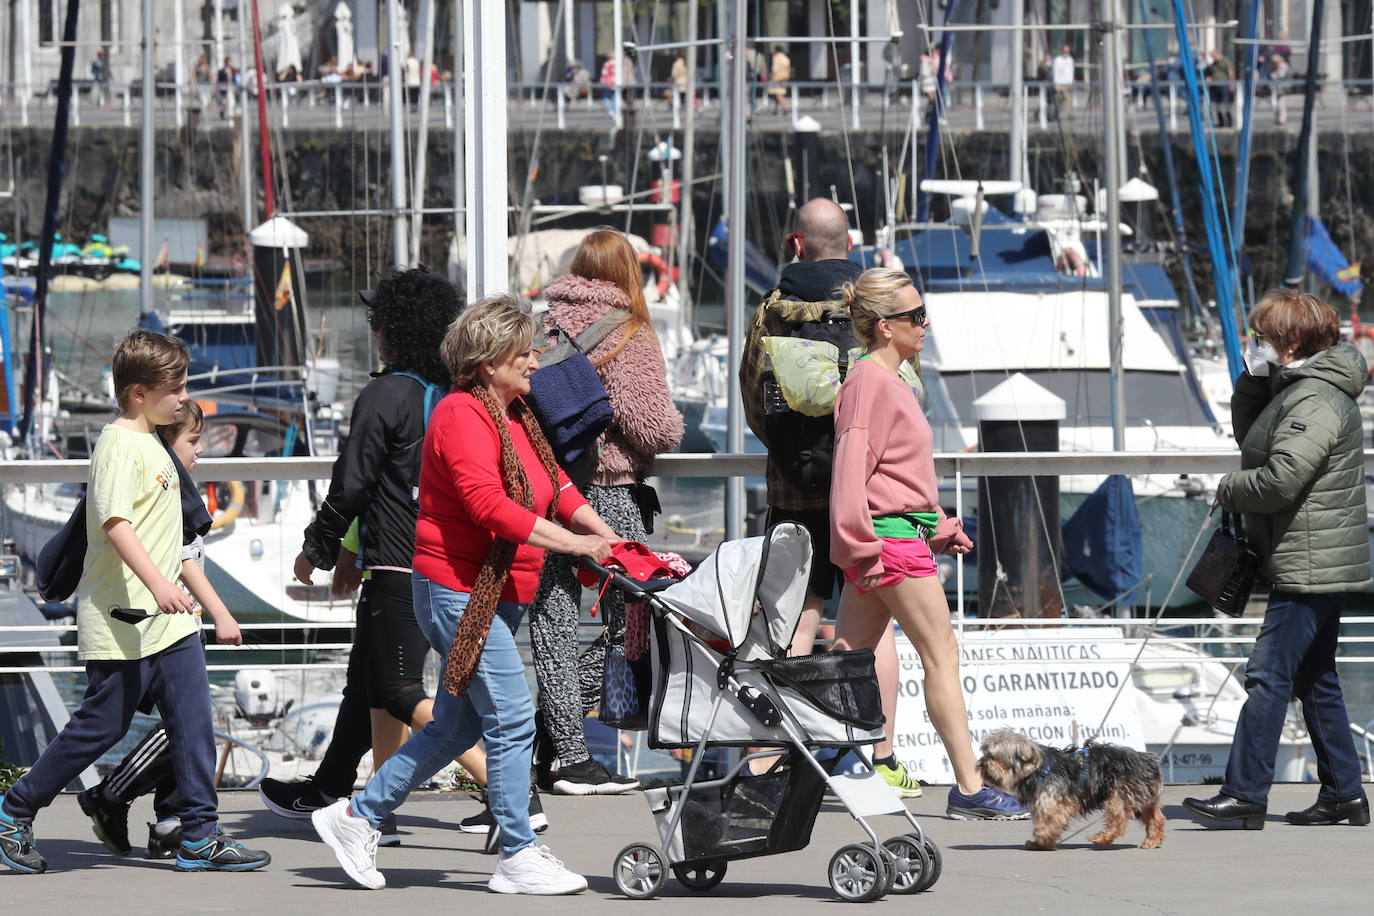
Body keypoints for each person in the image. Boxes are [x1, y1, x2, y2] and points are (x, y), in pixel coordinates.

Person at [311, 293, 620, 894]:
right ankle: (518, 853)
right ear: (488, 362)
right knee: (511, 717)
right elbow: (489, 507)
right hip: (456, 591)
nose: (535, 361)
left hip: (495, 591)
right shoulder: (459, 415)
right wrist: (576, 547)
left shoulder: (516, 417)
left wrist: (604, 534)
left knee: (454, 727)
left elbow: (553, 485)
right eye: (523, 352)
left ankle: (357, 817)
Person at [262, 270, 536, 847]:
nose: (374, 329)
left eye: (377, 321)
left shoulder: (386, 395)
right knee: (365, 682)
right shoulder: (458, 401)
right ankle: (336, 788)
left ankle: (510, 795)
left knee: (397, 688)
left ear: (395, 329)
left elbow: (353, 482)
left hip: (398, 565)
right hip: (454, 565)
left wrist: (321, 546)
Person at [0, 330, 271, 874]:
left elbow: (172, 538)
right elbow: (116, 523)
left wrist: (209, 607)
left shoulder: (153, 443)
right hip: (126, 617)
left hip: (169, 624)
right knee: (102, 727)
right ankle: (15, 809)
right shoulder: (120, 445)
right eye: (176, 387)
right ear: (139, 393)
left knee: (194, 723)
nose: (184, 396)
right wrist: (159, 584)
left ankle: (199, 835)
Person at [828, 268, 1028, 821]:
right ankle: (969, 786)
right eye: (916, 315)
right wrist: (861, 548)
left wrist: (939, 526)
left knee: (843, 663)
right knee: (941, 656)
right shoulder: (869, 382)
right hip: (887, 544)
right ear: (886, 326)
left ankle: (788, 765)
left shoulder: (887, 379)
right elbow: (852, 474)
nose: (926, 322)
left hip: (888, 541)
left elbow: (894, 475)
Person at [738, 199, 919, 799]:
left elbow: (753, 397)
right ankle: (877, 754)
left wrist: (790, 453)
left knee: (797, 613)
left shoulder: (771, 309)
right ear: (850, 241)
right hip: (867, 490)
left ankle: (782, 751)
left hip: (795, 484)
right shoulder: (871, 306)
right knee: (876, 621)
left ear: (796, 244)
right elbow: (903, 390)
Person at [1184, 290, 1371, 830]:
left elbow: (1280, 480)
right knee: (1316, 679)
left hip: (1309, 562)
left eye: (1262, 336)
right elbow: (1253, 438)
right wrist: (1250, 378)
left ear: (1290, 342)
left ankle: (1245, 791)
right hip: (1310, 557)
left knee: (1268, 673)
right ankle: (1344, 793)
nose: (1256, 341)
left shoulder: (1315, 399)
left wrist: (1225, 488)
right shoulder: (1294, 390)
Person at [531, 231, 684, 795]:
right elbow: (655, 426)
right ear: (626, 272)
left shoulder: (542, 327)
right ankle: (566, 744)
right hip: (612, 495)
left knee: (553, 621)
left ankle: (556, 742)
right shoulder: (628, 331)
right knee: (631, 620)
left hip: (551, 494)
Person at [74, 400, 246, 861]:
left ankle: (176, 822)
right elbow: (183, 560)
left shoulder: (175, 486)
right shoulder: (152, 472)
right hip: (152, 620)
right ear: (167, 447)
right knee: (175, 726)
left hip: (172, 622)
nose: (200, 451)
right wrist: (219, 613)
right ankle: (109, 796)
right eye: (192, 441)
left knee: (188, 720)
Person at [1206, 48, 1234, 127]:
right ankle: (1221, 122)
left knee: (1225, 104)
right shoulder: (1213, 64)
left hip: (1224, 85)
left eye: (1213, 55)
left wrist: (1231, 85)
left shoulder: (1225, 61)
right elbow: (1210, 74)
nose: (1212, 57)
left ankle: (1229, 122)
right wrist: (1209, 78)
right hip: (1214, 86)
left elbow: (1231, 73)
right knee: (1216, 104)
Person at [1052, 44, 1075, 119]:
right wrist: (1056, 85)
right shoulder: (1058, 60)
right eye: (1065, 51)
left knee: (1061, 100)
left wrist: (1073, 81)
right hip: (1061, 84)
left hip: (1069, 83)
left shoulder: (1070, 59)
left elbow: (1071, 71)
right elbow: (1056, 72)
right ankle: (1070, 114)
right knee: (1067, 99)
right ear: (1062, 51)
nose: (1066, 52)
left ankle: (1055, 112)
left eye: (1068, 51)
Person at [769, 46, 791, 114]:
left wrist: (772, 76)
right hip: (784, 78)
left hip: (777, 78)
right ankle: (776, 108)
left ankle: (786, 107)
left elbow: (775, 69)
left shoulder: (776, 57)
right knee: (779, 94)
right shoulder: (785, 58)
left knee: (778, 94)